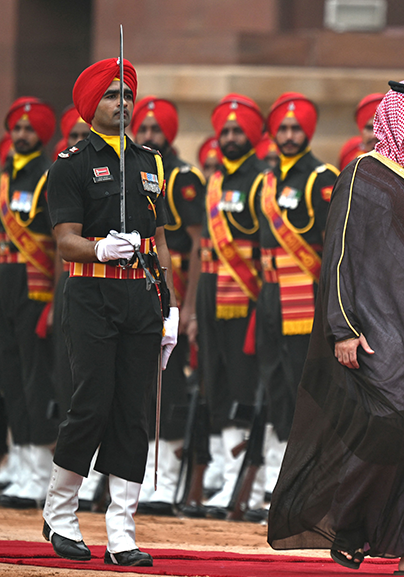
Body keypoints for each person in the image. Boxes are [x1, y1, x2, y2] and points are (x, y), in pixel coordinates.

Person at [267, 79, 404, 577]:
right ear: (403, 117)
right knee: (389, 419)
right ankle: (347, 523)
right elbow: (340, 257)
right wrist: (341, 327)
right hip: (381, 325)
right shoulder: (365, 173)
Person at [42, 57, 178, 567]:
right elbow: (65, 242)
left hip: (141, 299)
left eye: (125, 95)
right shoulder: (70, 165)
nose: (121, 104)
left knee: (131, 414)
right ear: (90, 106)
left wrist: (171, 304)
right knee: (91, 404)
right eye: (110, 96)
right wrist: (101, 248)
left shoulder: (149, 162)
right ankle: (60, 512)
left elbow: (158, 238)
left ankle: (121, 531)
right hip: (92, 296)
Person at [257, 92, 339, 520]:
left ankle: (308, 484)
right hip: (269, 295)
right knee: (273, 385)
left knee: (301, 388)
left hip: (303, 298)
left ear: (307, 131)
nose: (288, 136)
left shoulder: (322, 178)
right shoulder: (267, 180)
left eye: (296, 128)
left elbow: (334, 246)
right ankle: (278, 478)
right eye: (282, 129)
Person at [130, 96, 206, 515]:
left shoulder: (182, 178)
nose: (148, 136)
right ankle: (133, 474)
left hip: (169, 287)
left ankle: (166, 475)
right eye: (143, 128)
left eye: (156, 130)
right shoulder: (131, 171)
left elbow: (197, 246)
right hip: (132, 287)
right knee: (136, 382)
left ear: (170, 134)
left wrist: (188, 306)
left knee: (170, 382)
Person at [195, 94, 268, 519]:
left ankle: (250, 479)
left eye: (238, 131)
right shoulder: (216, 180)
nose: (230, 137)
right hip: (209, 295)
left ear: (253, 136)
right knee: (216, 384)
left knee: (245, 388)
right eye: (225, 131)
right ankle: (226, 476)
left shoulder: (262, 180)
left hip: (245, 299)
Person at [0, 97, 57, 510]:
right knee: (10, 379)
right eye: (16, 128)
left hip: (36, 288)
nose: (21, 135)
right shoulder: (5, 176)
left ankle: (39, 472)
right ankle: (20, 465)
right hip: (5, 286)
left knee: (36, 382)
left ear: (42, 135)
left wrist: (53, 303)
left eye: (29, 130)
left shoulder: (49, 176)